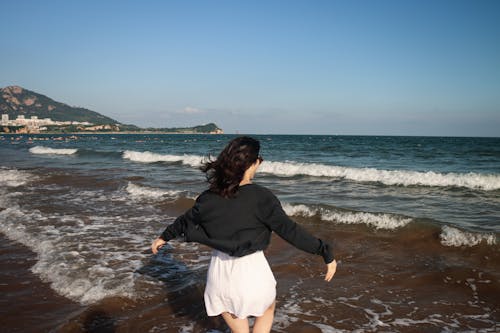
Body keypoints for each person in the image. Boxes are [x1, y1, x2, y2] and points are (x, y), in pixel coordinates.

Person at [151, 136, 337, 333]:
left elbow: (185, 220)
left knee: (238, 327)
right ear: (253, 163)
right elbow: (290, 231)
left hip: (220, 274)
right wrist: (324, 251)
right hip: (252, 271)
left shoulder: (208, 197)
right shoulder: (262, 197)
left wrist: (164, 237)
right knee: (266, 310)